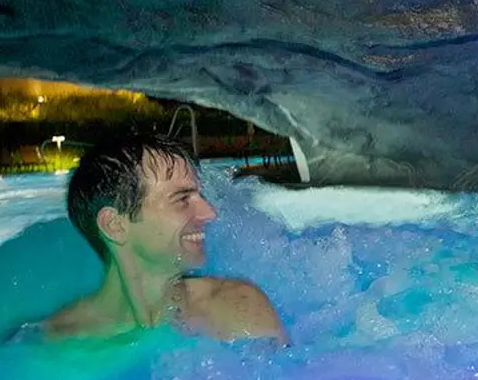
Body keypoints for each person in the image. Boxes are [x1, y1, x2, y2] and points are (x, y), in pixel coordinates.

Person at [25, 132, 288, 344]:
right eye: (182, 199)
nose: (210, 213)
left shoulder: (237, 308)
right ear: (114, 225)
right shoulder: (54, 342)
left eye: (200, 196)